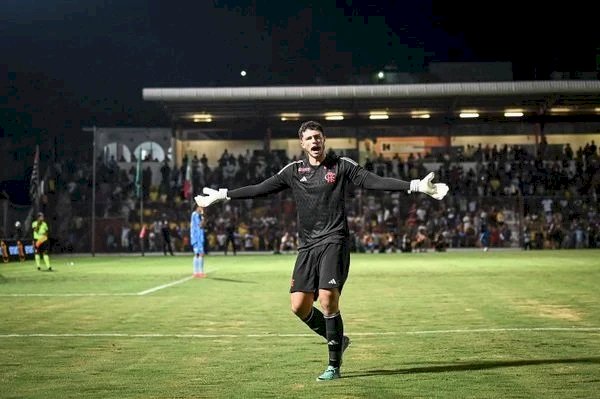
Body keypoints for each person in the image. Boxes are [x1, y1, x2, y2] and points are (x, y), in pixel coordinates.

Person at [194, 120, 449, 381]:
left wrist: (415, 185)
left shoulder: (341, 166)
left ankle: (333, 366)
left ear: (324, 139)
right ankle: (337, 338)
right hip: (307, 246)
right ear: (302, 143)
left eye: (318, 137)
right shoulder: (293, 171)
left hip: (334, 240)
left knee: (328, 298)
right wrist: (224, 194)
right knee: (299, 306)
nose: (314, 142)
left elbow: (373, 181)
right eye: (309, 138)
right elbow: (261, 189)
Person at [190, 205, 206, 278]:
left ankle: (198, 272)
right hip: (196, 237)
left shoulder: (198, 215)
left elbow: (202, 226)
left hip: (199, 237)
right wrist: (203, 217)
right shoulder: (195, 214)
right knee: (199, 254)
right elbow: (200, 225)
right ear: (197, 207)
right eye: (201, 207)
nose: (202, 209)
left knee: (199, 254)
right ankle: (198, 272)